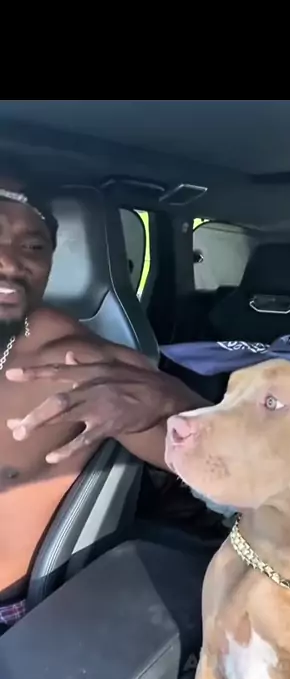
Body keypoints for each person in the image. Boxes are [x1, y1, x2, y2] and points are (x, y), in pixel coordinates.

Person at [0, 170, 207, 624]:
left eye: (33, 247)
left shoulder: (76, 362)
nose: (11, 263)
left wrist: (171, 398)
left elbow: (233, 458)